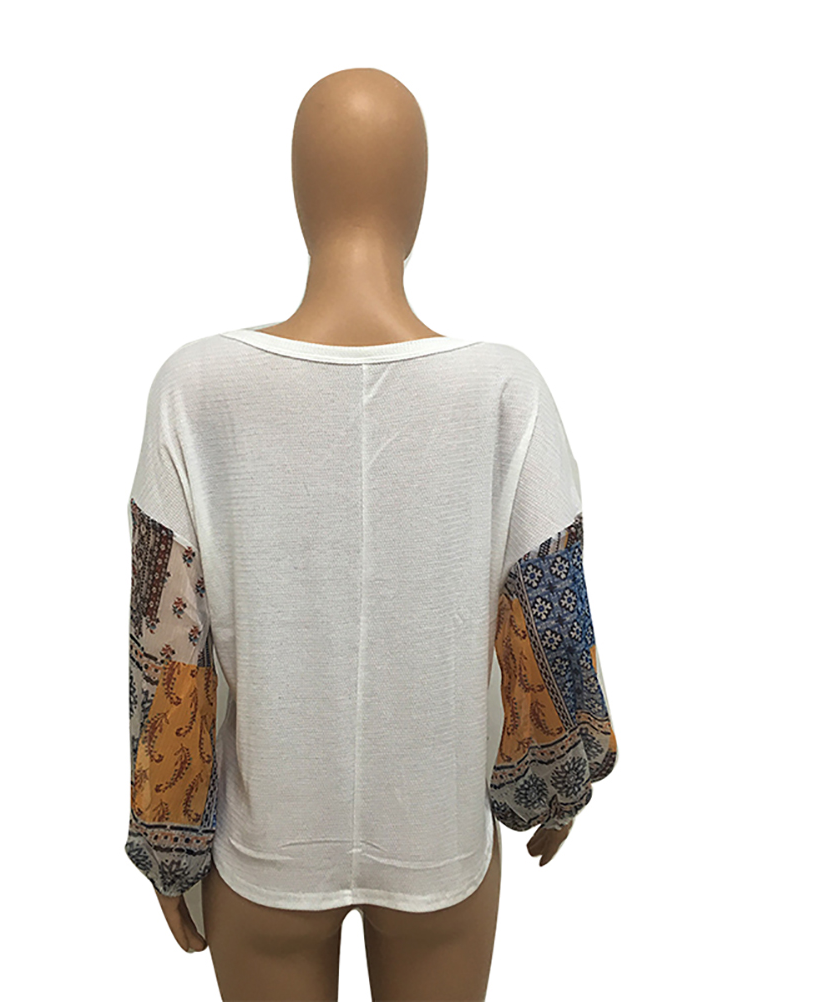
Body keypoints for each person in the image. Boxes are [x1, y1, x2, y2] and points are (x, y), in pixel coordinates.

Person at [126, 67, 618, 1002]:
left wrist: (169, 835)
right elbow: (550, 605)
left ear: (300, 195)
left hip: (266, 847)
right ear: (416, 197)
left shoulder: (197, 390)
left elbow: (167, 643)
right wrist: (557, 777)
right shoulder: (501, 390)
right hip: (439, 840)